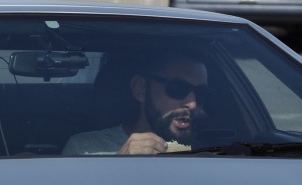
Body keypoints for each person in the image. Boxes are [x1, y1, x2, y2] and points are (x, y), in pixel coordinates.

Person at [62, 50, 209, 155]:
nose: (192, 104)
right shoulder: (85, 148)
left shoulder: (211, 155)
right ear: (141, 89)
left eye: (200, 93)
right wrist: (119, 164)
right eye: (178, 88)